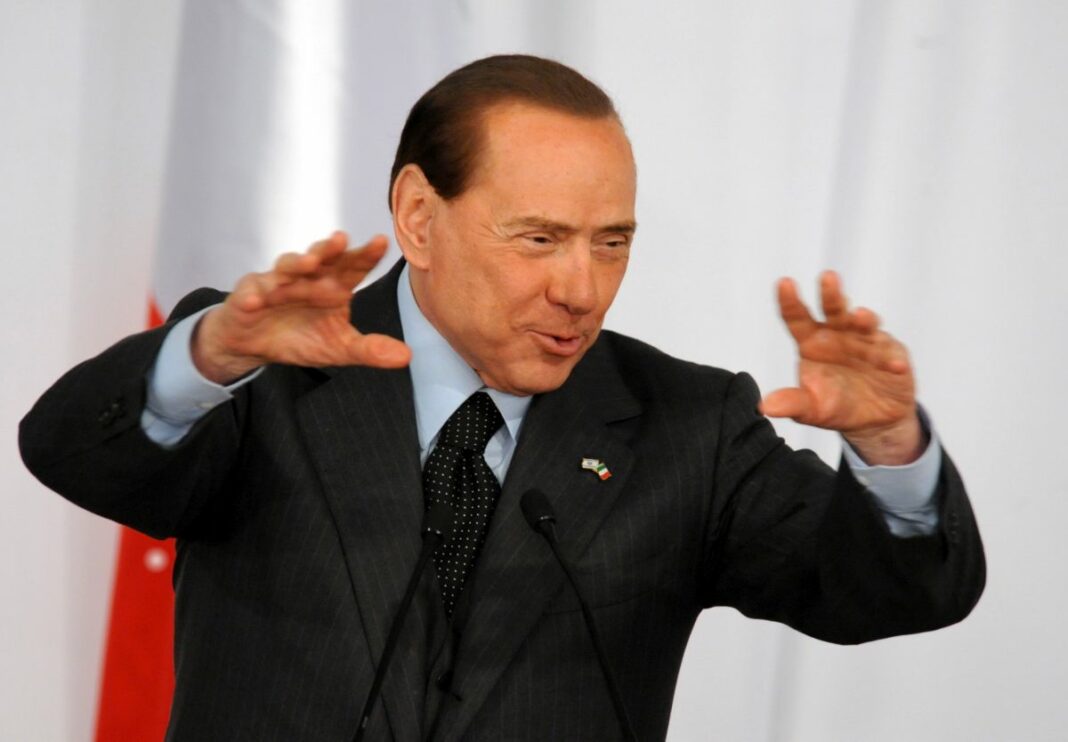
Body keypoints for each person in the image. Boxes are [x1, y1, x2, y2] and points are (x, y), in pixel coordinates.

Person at [20, 55, 984, 741]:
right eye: (539, 239)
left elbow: (896, 589)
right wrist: (206, 357)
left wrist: (891, 445)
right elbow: (70, 453)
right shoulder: (261, 371)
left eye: (612, 243)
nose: (582, 289)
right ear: (418, 217)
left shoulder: (690, 426)